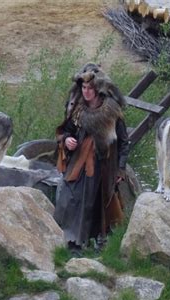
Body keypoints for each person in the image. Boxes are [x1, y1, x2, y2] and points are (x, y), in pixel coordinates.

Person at [54, 63, 131, 253]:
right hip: (78, 163)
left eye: (90, 88)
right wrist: (67, 140)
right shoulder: (78, 109)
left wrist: (120, 169)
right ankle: (72, 242)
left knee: (97, 203)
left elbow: (123, 142)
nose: (86, 92)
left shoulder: (111, 111)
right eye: (83, 88)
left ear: (98, 89)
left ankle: (98, 241)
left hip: (103, 165)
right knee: (69, 197)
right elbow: (66, 131)